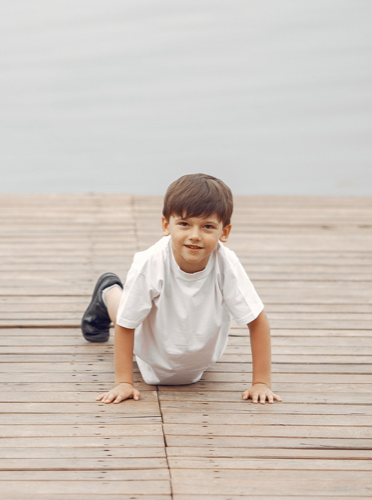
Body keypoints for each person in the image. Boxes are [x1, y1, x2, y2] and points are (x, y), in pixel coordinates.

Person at [81, 173, 280, 405]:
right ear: (166, 225)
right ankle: (108, 291)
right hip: (151, 355)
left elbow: (257, 320)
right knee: (128, 309)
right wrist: (124, 382)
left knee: (149, 312)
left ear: (224, 232)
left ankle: (112, 293)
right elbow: (126, 323)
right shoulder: (151, 263)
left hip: (197, 362)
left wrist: (261, 383)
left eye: (207, 227)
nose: (194, 236)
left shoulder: (227, 265)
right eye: (184, 224)